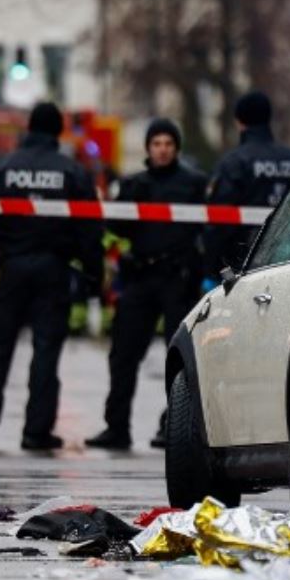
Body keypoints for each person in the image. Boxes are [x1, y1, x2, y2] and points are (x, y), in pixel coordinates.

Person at [0, 102, 102, 451]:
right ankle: (35, 432)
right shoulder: (71, 172)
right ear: (58, 131)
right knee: (45, 353)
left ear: (29, 128)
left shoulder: (2, 168)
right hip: (52, 270)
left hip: (10, 268)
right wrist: (93, 273)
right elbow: (90, 228)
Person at [86, 119, 208, 451]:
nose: (163, 149)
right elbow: (116, 228)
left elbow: (211, 227)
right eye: (157, 143)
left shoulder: (195, 184)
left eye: (168, 143)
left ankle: (175, 426)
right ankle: (116, 427)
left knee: (180, 356)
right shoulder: (133, 183)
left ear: (177, 148)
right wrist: (125, 205)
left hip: (177, 277)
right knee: (123, 354)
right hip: (141, 276)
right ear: (148, 148)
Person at [203, 91, 290, 278]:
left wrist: (211, 270)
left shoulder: (233, 163)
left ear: (239, 121)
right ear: (268, 118)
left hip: (243, 265)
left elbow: (218, 223)